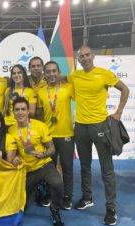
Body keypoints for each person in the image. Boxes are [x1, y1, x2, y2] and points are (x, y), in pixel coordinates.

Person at [58, 46, 129, 226]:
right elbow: (59, 77)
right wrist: (41, 77)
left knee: (107, 169)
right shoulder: (76, 75)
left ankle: (111, 208)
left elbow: (125, 89)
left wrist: (119, 112)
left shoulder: (104, 74)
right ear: (78, 60)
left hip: (100, 126)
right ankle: (87, 197)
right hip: (81, 127)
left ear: (93, 56)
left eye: (87, 55)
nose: (85, 58)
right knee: (84, 165)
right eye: (81, 56)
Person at [8, 97, 64, 226]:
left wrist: (43, 154)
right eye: (17, 110)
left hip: (44, 165)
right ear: (13, 112)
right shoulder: (10, 130)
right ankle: (39, 189)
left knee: (57, 183)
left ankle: (55, 210)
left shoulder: (40, 126)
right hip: (27, 170)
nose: (20, 112)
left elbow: (52, 148)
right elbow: (11, 150)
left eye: (23, 109)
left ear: (28, 111)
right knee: (24, 206)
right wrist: (15, 156)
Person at [36, 61, 75, 210]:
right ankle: (49, 194)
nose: (51, 74)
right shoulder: (40, 92)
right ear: (44, 74)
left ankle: (67, 197)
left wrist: (65, 77)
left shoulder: (67, 88)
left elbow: (76, 80)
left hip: (66, 135)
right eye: (48, 71)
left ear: (58, 72)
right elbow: (39, 114)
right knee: (48, 168)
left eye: (54, 71)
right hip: (48, 137)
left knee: (67, 167)